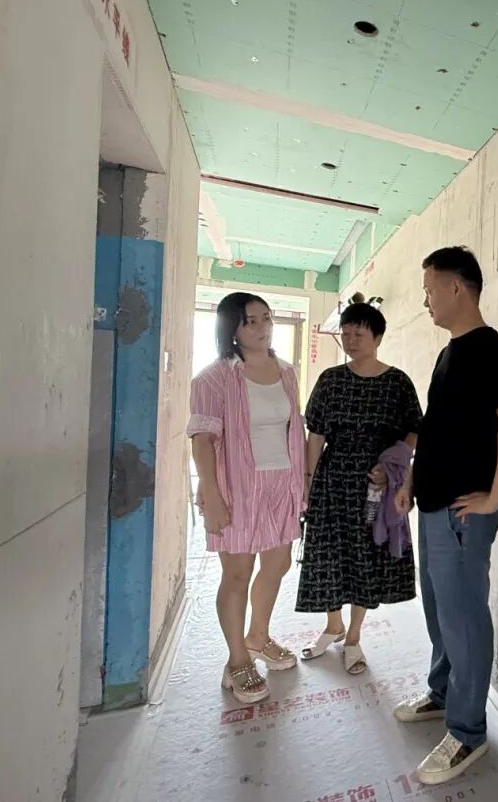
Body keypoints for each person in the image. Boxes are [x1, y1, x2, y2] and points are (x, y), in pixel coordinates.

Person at [392, 247, 498, 786]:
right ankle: (443, 692)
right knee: (440, 610)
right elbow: (436, 430)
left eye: (429, 289)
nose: (425, 300)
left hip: (462, 514)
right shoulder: (450, 353)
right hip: (433, 507)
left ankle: (468, 732)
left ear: (456, 287)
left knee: (464, 618)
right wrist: (411, 481)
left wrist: (493, 498)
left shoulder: (488, 349)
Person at [188, 292, 305, 704]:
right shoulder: (213, 378)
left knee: (278, 563)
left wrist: (302, 485)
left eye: (266, 318)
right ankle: (237, 659)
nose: (262, 327)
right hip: (237, 487)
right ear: (232, 329)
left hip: (281, 485)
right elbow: (202, 440)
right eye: (250, 320)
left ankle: (258, 636)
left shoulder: (287, 372)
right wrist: (212, 495)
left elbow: (293, 430)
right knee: (237, 574)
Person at [296, 297, 423, 675]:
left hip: (376, 486)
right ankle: (332, 625)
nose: (351, 340)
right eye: (347, 334)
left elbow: (415, 430)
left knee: (366, 557)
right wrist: (308, 482)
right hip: (333, 481)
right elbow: (316, 435)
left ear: (378, 338)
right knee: (328, 554)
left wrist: (393, 464)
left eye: (359, 334)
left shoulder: (397, 382)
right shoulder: (331, 380)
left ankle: (353, 637)